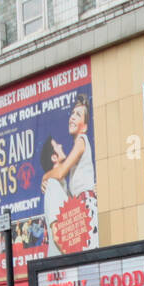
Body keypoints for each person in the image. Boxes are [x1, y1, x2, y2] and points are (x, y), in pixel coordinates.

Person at [40, 99, 98, 254]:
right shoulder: (76, 152)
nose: (72, 117)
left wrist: (45, 176)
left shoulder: (81, 141)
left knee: (88, 256)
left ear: (84, 127)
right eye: (72, 113)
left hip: (87, 207)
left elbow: (60, 172)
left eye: (78, 115)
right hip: (82, 208)